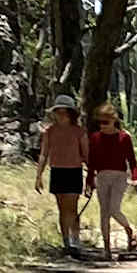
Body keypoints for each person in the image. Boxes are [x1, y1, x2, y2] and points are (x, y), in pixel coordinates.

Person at [85, 101, 137, 259]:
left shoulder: (124, 137)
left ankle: (129, 229)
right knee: (104, 213)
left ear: (114, 120)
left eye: (106, 122)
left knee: (113, 209)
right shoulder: (95, 138)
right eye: (100, 122)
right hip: (102, 176)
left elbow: (132, 160)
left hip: (119, 176)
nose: (102, 126)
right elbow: (92, 161)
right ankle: (106, 249)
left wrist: (136, 178)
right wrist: (89, 181)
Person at [35, 93, 90, 257]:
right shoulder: (49, 132)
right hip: (57, 171)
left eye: (64, 112)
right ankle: (66, 242)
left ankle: (75, 241)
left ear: (71, 114)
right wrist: (38, 176)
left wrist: (92, 175)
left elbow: (86, 155)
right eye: (58, 112)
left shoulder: (79, 131)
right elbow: (44, 154)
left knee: (72, 208)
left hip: (74, 171)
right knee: (62, 208)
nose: (61, 115)